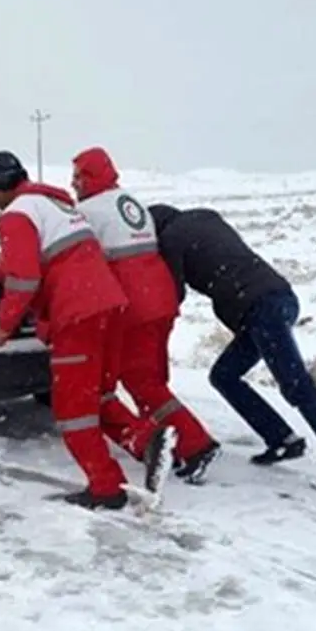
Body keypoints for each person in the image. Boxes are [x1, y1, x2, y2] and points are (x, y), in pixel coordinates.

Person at [0, 150, 171, 510]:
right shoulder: (56, 206)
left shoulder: (16, 215)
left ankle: (105, 488)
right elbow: (52, 260)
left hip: (76, 314)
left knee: (73, 409)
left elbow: (25, 278)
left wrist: (4, 326)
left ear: (1, 188)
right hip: (110, 306)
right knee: (98, 396)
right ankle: (147, 443)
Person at [149, 203, 316, 492]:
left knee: (297, 386)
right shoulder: (206, 216)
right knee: (224, 375)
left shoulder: (171, 238)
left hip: (259, 309)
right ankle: (282, 439)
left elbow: (174, 292)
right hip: (278, 297)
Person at [71, 147, 220, 483]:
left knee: (142, 382)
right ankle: (167, 442)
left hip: (133, 306)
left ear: (92, 176)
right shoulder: (130, 202)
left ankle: (195, 446)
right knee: (152, 378)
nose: (74, 183)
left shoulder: (88, 211)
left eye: (79, 176)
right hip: (160, 298)